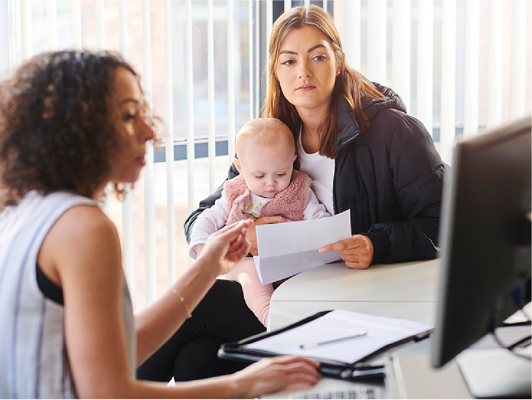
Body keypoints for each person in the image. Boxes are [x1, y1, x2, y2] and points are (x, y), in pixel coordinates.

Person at [0, 50, 321, 399]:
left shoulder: (26, 211)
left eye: (143, 112)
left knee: (197, 360)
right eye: (127, 115)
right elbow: (107, 393)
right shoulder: (83, 229)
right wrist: (246, 384)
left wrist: (211, 264)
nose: (150, 130)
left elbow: (114, 351)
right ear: (79, 132)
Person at [169, 3, 445, 381]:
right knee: (197, 360)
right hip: (287, 296)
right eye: (288, 61)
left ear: (339, 60)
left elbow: (445, 223)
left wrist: (375, 243)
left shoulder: (395, 133)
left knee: (201, 304)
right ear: (275, 71)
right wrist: (239, 237)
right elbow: (207, 211)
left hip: (355, 303)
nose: (303, 72)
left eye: (317, 56)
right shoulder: (273, 136)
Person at [189, 117, 330, 325]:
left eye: (281, 173)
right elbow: (206, 219)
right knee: (251, 273)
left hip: (290, 266)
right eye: (259, 175)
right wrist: (203, 249)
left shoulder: (300, 190)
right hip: (245, 263)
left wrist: (296, 233)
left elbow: (321, 223)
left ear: (293, 160)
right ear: (240, 167)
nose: (271, 183)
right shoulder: (234, 191)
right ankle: (269, 316)